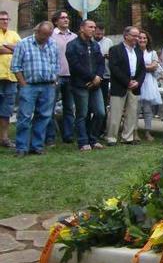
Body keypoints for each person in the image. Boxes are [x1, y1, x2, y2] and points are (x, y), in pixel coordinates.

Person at [10, 21, 59, 156]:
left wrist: (54, 79)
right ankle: (21, 147)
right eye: (44, 35)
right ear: (36, 31)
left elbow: (56, 63)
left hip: (48, 86)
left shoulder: (53, 44)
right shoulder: (23, 44)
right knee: (24, 117)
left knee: (43, 117)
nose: (46, 38)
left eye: (49, 35)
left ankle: (37, 146)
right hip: (29, 86)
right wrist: (23, 83)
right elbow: (15, 66)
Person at [65, 20, 106, 151]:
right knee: (82, 114)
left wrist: (98, 77)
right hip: (80, 84)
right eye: (90, 27)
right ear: (82, 28)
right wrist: (92, 77)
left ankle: (93, 139)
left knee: (100, 112)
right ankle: (83, 142)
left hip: (96, 84)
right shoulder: (72, 45)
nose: (93, 29)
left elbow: (101, 62)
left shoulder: (95, 45)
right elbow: (75, 65)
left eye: (94, 27)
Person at [107, 26, 146, 145]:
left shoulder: (138, 50)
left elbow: (142, 69)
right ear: (126, 36)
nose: (137, 38)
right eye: (134, 36)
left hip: (134, 85)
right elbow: (114, 68)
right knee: (116, 113)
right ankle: (111, 138)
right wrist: (127, 81)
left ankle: (127, 137)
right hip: (120, 85)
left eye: (138, 36)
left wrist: (138, 81)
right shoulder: (115, 49)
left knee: (132, 113)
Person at [47, 9, 76, 145]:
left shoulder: (74, 37)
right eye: (63, 17)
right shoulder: (50, 36)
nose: (66, 19)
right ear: (56, 21)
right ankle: (51, 136)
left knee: (69, 107)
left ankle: (68, 135)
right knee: (50, 107)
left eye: (67, 17)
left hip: (71, 76)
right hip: (56, 76)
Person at [0, 10, 21, 148]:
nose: (5, 21)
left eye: (7, 19)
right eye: (2, 19)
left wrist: (4, 46)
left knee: (6, 110)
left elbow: (20, 48)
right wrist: (11, 48)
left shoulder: (13, 34)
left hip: (11, 77)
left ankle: (4, 138)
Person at [137, 31, 163, 142]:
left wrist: (142, 67)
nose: (142, 40)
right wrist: (147, 66)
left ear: (148, 40)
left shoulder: (152, 52)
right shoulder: (133, 51)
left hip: (148, 82)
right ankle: (134, 132)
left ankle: (148, 132)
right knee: (135, 110)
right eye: (140, 38)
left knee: (148, 109)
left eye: (145, 38)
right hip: (137, 81)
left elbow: (154, 66)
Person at [94, 24, 113, 116]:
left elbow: (113, 56)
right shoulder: (90, 41)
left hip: (105, 75)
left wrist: (108, 56)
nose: (100, 36)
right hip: (93, 76)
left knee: (104, 101)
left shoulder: (108, 41)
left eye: (101, 34)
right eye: (97, 34)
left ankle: (102, 126)